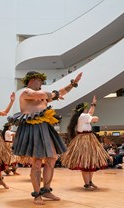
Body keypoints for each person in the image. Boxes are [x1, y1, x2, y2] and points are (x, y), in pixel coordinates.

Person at [11, 71, 82, 205]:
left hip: (45, 127)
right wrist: (54, 95)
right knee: (37, 162)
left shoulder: (42, 95)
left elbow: (60, 92)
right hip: (32, 128)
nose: (41, 83)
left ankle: (46, 190)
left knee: (52, 158)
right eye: (39, 81)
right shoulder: (26, 92)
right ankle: (37, 194)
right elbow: (43, 94)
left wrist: (72, 84)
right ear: (31, 80)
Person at [62, 97, 110, 190]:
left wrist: (93, 104)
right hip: (85, 140)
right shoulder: (83, 116)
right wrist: (95, 117)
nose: (87, 109)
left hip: (87, 139)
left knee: (90, 163)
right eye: (86, 107)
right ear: (83, 109)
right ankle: (87, 184)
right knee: (85, 163)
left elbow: (90, 113)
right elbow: (95, 119)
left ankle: (90, 182)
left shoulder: (83, 116)